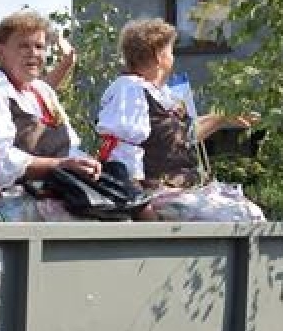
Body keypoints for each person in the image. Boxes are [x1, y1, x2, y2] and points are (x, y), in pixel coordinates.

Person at [95, 17, 264, 222]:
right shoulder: (129, 90)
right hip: (154, 196)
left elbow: (183, 136)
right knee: (241, 217)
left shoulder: (157, 94)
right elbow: (120, 154)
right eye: (171, 51)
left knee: (248, 213)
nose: (173, 58)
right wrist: (141, 209)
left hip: (179, 192)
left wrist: (222, 118)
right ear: (159, 55)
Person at [0, 9, 101, 221]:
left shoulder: (43, 92)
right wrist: (58, 166)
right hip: (3, 202)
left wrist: (87, 165)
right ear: (0, 50)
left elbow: (70, 148)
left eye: (39, 47)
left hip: (51, 195)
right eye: (23, 45)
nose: (33, 53)